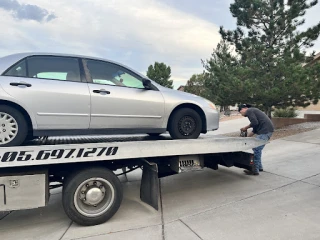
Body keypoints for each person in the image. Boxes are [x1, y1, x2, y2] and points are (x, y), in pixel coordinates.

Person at [238, 104, 274, 175]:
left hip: (265, 131)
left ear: (243, 109)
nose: (241, 114)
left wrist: (245, 127)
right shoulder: (253, 111)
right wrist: (247, 137)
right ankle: (259, 167)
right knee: (257, 149)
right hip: (266, 131)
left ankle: (255, 170)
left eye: (240, 112)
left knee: (257, 149)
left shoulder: (249, 111)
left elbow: (254, 122)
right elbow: (255, 128)